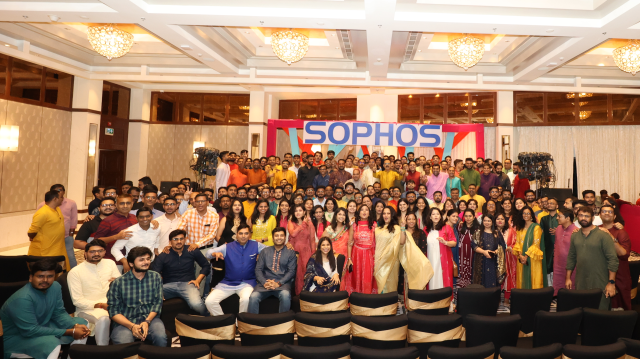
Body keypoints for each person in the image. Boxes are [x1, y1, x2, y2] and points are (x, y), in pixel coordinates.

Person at [0, 259, 90, 359]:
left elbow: (59, 312)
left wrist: (74, 325)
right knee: (51, 344)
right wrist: (69, 331)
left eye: (50, 276)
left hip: (43, 325)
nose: (45, 280)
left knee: (83, 324)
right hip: (17, 338)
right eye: (40, 276)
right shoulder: (22, 298)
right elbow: (31, 331)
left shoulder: (55, 286)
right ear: (30, 278)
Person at [107, 246, 166, 346]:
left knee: (161, 338)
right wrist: (131, 326)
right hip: (125, 322)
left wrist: (147, 321)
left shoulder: (155, 277)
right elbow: (113, 311)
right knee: (125, 345)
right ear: (131, 263)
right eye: (141, 260)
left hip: (150, 319)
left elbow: (157, 303)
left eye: (148, 259)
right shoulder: (118, 283)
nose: (146, 262)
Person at [67, 239, 120, 346]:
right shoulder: (75, 272)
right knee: (103, 318)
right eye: (92, 251)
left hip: (112, 305)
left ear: (105, 252)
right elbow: (78, 301)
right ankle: (102, 351)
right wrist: (100, 305)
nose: (96, 254)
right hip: (87, 309)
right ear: (85, 254)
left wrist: (118, 283)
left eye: (100, 251)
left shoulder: (110, 263)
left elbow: (120, 286)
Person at [205, 224, 266, 316]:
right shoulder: (227, 247)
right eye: (241, 233)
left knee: (245, 299)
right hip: (228, 283)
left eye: (246, 233)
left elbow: (271, 250)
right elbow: (208, 253)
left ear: (249, 235)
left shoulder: (256, 245)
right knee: (209, 301)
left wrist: (287, 246)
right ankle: (225, 323)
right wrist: (214, 253)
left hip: (247, 283)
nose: (243, 236)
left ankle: (240, 324)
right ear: (236, 235)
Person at [566, 206, 619, 310]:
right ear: (577, 217)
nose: (583, 218)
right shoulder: (575, 235)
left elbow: (613, 259)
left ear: (593, 218)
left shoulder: (603, 235)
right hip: (581, 282)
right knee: (583, 312)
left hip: (600, 281)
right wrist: (568, 278)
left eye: (587, 216)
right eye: (581, 215)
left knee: (600, 313)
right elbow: (571, 257)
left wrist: (611, 282)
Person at [152, 229, 209, 316]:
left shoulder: (192, 250)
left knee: (197, 305)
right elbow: (155, 274)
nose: (179, 241)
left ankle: (208, 318)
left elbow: (206, 265)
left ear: (185, 239)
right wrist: (158, 290)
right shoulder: (163, 255)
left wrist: (198, 280)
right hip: (168, 286)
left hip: (188, 284)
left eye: (181, 239)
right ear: (170, 241)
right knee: (150, 298)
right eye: (175, 239)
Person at [248, 227, 297, 313]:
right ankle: (253, 324)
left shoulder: (290, 253)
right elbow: (258, 269)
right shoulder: (265, 251)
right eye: (276, 235)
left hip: (282, 284)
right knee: (253, 297)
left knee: (285, 295)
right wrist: (264, 282)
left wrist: (278, 283)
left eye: (281, 235)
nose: (279, 238)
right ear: (273, 238)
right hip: (265, 284)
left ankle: (283, 323)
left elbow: (291, 271)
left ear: (285, 238)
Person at [36, 184, 78, 269]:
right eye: (55, 190)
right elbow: (37, 221)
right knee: (50, 257)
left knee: (70, 256)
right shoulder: (42, 205)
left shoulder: (71, 203)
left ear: (64, 191)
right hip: (49, 238)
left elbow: (74, 219)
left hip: (66, 236)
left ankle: (73, 273)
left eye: (60, 190)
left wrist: (71, 234)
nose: (58, 192)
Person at [599, 204, 631, 310]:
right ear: (599, 215)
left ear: (614, 216)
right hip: (600, 276)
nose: (607, 213)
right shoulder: (595, 231)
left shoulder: (620, 232)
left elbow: (624, 254)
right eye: (604, 211)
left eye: (610, 212)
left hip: (619, 276)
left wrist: (611, 237)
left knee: (619, 311)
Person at [28, 190, 70, 271]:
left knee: (59, 272)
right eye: (61, 197)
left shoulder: (57, 209)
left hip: (58, 248)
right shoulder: (42, 212)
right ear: (55, 199)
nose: (63, 199)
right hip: (45, 251)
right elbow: (31, 232)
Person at [341, 205, 378, 295]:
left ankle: (367, 299)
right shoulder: (354, 225)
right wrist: (349, 259)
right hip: (356, 254)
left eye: (366, 210)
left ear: (369, 212)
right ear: (359, 212)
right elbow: (350, 243)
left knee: (368, 278)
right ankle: (356, 299)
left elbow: (377, 242)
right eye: (362, 210)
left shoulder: (374, 224)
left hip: (370, 255)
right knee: (356, 277)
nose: (364, 211)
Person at [111, 207, 160, 273]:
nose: (145, 219)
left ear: (151, 216)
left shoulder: (156, 228)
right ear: (136, 218)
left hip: (150, 264)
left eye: (147, 216)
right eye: (141, 217)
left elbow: (157, 238)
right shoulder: (129, 231)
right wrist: (125, 262)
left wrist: (156, 249)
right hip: (133, 266)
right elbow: (114, 249)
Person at [93, 194, 139, 262]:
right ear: (116, 205)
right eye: (122, 203)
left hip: (134, 259)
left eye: (128, 203)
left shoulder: (135, 218)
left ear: (132, 204)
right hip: (113, 260)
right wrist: (116, 237)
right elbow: (97, 241)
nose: (125, 206)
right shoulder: (108, 220)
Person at [419, 207, 455, 290]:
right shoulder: (426, 229)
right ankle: (432, 299)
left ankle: (444, 299)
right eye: (433, 214)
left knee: (443, 278)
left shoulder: (446, 227)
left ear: (440, 216)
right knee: (431, 278)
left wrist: (445, 242)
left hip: (443, 259)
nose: (436, 216)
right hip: (430, 259)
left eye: (437, 214)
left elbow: (454, 243)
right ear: (430, 217)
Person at [513, 206, 547, 289]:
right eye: (524, 213)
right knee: (522, 280)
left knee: (534, 280)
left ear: (532, 215)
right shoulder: (520, 228)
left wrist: (526, 256)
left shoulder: (536, 227)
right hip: (521, 259)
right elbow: (517, 243)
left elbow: (536, 244)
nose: (526, 215)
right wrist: (521, 256)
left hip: (533, 258)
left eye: (528, 213)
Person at [288, 204, 316, 295]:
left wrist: (313, 255)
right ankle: (298, 296)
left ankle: (307, 295)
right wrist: (303, 224)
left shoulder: (310, 224)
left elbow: (312, 240)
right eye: (296, 211)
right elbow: (293, 234)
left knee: (306, 273)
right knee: (297, 275)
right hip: (294, 251)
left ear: (304, 212)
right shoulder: (291, 222)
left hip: (306, 251)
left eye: (300, 210)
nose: (298, 213)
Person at [472, 214, 506, 288]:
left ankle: (493, 299)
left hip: (493, 261)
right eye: (485, 220)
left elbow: (502, 246)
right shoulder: (478, 232)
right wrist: (484, 252)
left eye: (489, 221)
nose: (486, 222)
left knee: (493, 281)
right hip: (481, 261)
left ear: (492, 222)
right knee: (480, 282)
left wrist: (496, 252)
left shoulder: (497, 233)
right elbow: (474, 245)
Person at [553, 208, 577, 296]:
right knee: (559, 288)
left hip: (572, 266)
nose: (557, 218)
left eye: (559, 216)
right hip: (558, 264)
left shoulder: (576, 231)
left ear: (568, 218)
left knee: (571, 288)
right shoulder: (558, 228)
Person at [458, 209, 480, 292]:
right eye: (466, 216)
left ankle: (471, 292)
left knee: (472, 271)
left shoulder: (478, 228)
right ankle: (460, 293)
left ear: (474, 217)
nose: (468, 218)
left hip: (473, 254)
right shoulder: (460, 227)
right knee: (461, 271)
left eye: (470, 216)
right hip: (461, 254)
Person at [539, 197, 559, 284]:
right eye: (548, 203)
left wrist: (558, 231)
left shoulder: (560, 217)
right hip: (547, 247)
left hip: (558, 246)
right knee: (547, 268)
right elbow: (541, 233)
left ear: (557, 206)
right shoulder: (544, 219)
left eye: (552, 203)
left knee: (557, 268)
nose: (550, 205)